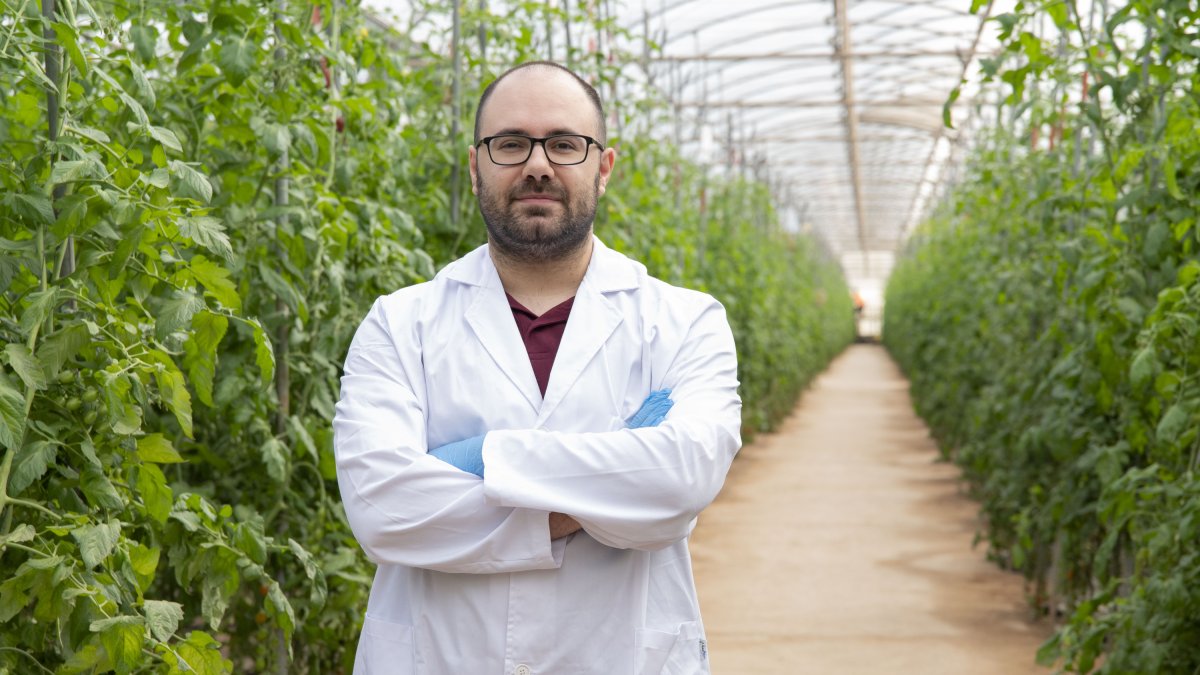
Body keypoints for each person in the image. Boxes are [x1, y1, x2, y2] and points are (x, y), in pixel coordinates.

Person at [333, 60, 742, 675]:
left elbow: (681, 480)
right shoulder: (400, 324)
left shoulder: (686, 322)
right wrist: (612, 475)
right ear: (476, 167)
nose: (538, 165)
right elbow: (385, 510)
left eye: (564, 143)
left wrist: (476, 458)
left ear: (603, 168)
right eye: (511, 144)